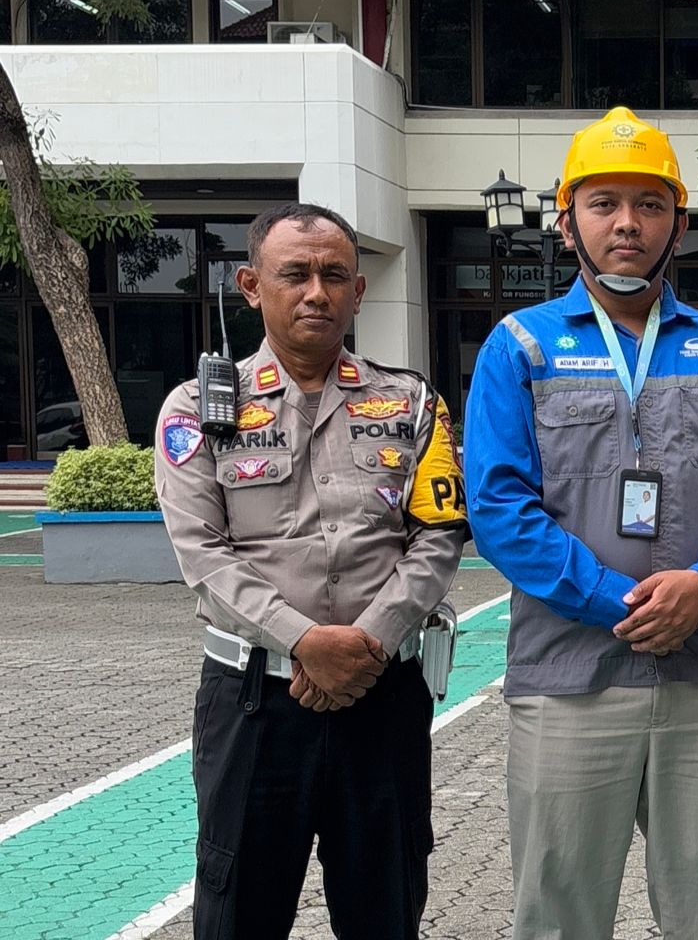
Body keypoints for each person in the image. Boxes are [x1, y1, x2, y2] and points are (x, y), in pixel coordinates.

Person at [463, 107, 698, 940]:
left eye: (649, 204)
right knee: (559, 912)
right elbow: (499, 508)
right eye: (604, 202)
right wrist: (622, 601)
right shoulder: (519, 346)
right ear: (567, 219)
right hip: (570, 675)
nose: (626, 223)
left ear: (678, 224)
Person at [155, 203, 466, 940]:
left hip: (382, 696)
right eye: (294, 274)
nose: (316, 292)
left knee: (386, 910)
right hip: (254, 705)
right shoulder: (197, 408)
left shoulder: (412, 401)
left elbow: (439, 533)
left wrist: (368, 641)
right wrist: (304, 641)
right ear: (251, 285)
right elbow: (202, 552)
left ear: (358, 291)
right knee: (238, 914)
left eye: (333, 275)